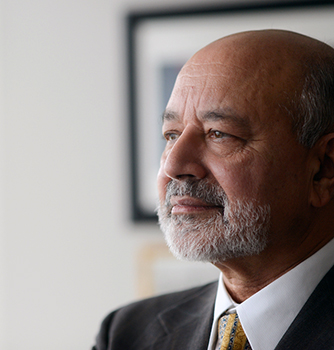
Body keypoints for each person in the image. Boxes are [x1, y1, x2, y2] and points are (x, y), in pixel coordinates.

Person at [93, 29, 334, 350]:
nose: (173, 165)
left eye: (219, 133)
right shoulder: (127, 333)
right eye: (171, 134)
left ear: (323, 169)